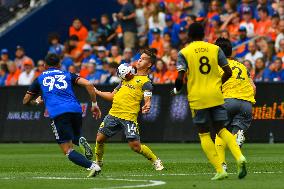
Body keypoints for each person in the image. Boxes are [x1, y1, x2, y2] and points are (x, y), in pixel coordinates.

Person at [174, 23, 247, 180]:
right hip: (216, 94)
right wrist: (218, 84)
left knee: (204, 134)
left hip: (198, 96)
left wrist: (176, 90)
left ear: (189, 35)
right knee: (221, 129)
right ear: (204, 34)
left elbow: (180, 78)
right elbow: (228, 71)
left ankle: (220, 170)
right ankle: (239, 156)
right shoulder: (215, 49)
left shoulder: (184, 52)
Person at [22, 54, 102, 177]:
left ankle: (92, 166)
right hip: (76, 110)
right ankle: (79, 139)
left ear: (44, 66)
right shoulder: (67, 74)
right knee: (74, 137)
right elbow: (89, 85)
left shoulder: (40, 78)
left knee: (67, 150)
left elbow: (25, 101)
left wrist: (36, 102)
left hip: (58, 112)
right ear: (59, 65)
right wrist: (94, 104)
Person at [94, 49, 164, 171]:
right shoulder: (127, 77)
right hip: (113, 114)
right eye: (140, 57)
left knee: (135, 147)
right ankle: (98, 162)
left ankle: (155, 160)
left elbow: (148, 96)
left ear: (149, 64)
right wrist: (96, 91)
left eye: (143, 59)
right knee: (99, 139)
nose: (140, 59)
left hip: (129, 118)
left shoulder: (145, 82)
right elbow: (111, 96)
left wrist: (147, 104)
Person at [214, 37, 256, 172]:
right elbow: (253, 87)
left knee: (219, 131)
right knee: (234, 133)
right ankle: (238, 137)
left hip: (228, 101)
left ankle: (222, 165)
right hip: (246, 104)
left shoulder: (218, 66)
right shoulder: (242, 66)